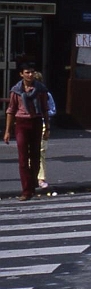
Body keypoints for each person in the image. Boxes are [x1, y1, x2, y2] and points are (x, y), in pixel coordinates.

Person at [4, 63, 51, 201]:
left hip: (36, 122)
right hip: (21, 123)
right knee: (23, 158)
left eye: (32, 72)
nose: (30, 75)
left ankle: (32, 185)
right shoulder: (16, 90)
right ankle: (26, 190)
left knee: (35, 156)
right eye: (27, 72)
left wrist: (47, 127)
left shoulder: (41, 89)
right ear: (21, 74)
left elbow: (45, 109)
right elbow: (11, 110)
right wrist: (7, 131)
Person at [33, 70, 56, 190]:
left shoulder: (46, 94)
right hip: (30, 123)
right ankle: (32, 177)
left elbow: (53, 109)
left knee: (41, 151)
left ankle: (40, 178)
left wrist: (43, 114)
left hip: (41, 123)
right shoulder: (26, 93)